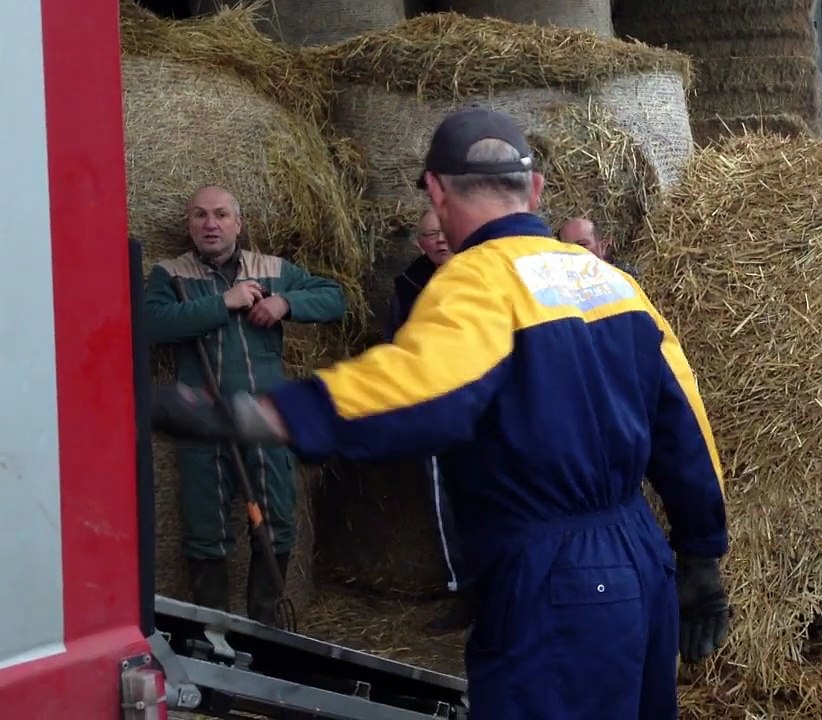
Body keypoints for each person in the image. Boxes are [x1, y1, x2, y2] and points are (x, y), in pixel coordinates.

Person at [151, 108, 731, 719]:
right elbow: (686, 424)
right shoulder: (613, 284)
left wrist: (265, 416)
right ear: (534, 189)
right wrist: (699, 555)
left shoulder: (477, 281)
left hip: (556, 579)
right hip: (641, 565)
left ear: (435, 190)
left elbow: (416, 389)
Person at [144, 185, 348, 625]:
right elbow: (151, 324)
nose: (210, 224)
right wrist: (223, 303)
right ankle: (213, 639)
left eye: (220, 215)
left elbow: (335, 298)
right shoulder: (171, 274)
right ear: (189, 225)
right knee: (205, 531)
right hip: (201, 421)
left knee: (275, 518)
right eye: (199, 215)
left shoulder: (271, 270)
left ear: (238, 223)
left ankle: (265, 628)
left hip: (264, 419)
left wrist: (285, 302)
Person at [384, 205, 473, 634]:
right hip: (437, 408)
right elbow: (397, 345)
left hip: (488, 406)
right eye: (427, 235)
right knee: (445, 502)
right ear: (419, 244)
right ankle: (463, 593)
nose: (437, 240)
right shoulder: (410, 283)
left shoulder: (485, 273)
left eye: (443, 231)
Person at [385, 205, 453, 341]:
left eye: (448, 232)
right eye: (431, 234)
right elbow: (395, 339)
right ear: (420, 243)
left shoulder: (485, 276)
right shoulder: (408, 286)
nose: (441, 239)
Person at [558, 215, 642, 278]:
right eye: (567, 247)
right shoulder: (557, 282)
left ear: (603, 246)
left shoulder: (627, 276)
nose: (574, 251)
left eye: (582, 245)